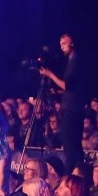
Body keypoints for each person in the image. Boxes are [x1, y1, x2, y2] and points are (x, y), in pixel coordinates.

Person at [40, 33, 86, 173]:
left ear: (72, 43)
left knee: (70, 143)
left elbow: (68, 85)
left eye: (64, 44)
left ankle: (70, 172)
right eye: (60, 44)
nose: (61, 47)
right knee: (74, 143)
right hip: (73, 105)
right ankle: (78, 171)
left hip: (72, 108)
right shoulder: (74, 60)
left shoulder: (75, 60)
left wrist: (50, 75)